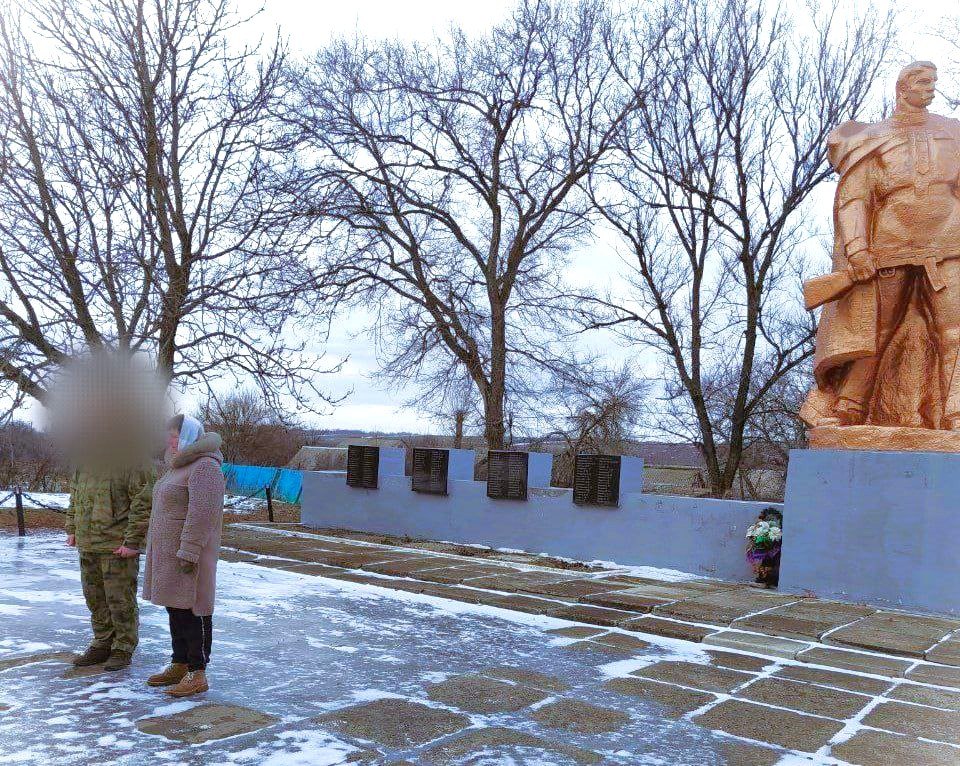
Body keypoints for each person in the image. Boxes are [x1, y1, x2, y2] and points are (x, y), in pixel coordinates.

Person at [142, 415, 225, 697]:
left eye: (175, 436)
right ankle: (180, 663)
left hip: (190, 554)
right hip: (169, 554)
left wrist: (189, 550)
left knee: (193, 609)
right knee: (175, 608)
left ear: (190, 436)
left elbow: (203, 514)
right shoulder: (178, 467)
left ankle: (197, 672)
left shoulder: (205, 467)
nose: (170, 441)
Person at [66, 466, 155, 671]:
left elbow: (143, 503)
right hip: (88, 544)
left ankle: (123, 646)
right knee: (94, 598)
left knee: (120, 600)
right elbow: (74, 496)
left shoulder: (134, 462)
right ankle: (102, 642)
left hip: (117, 545)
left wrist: (133, 541)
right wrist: (71, 527)